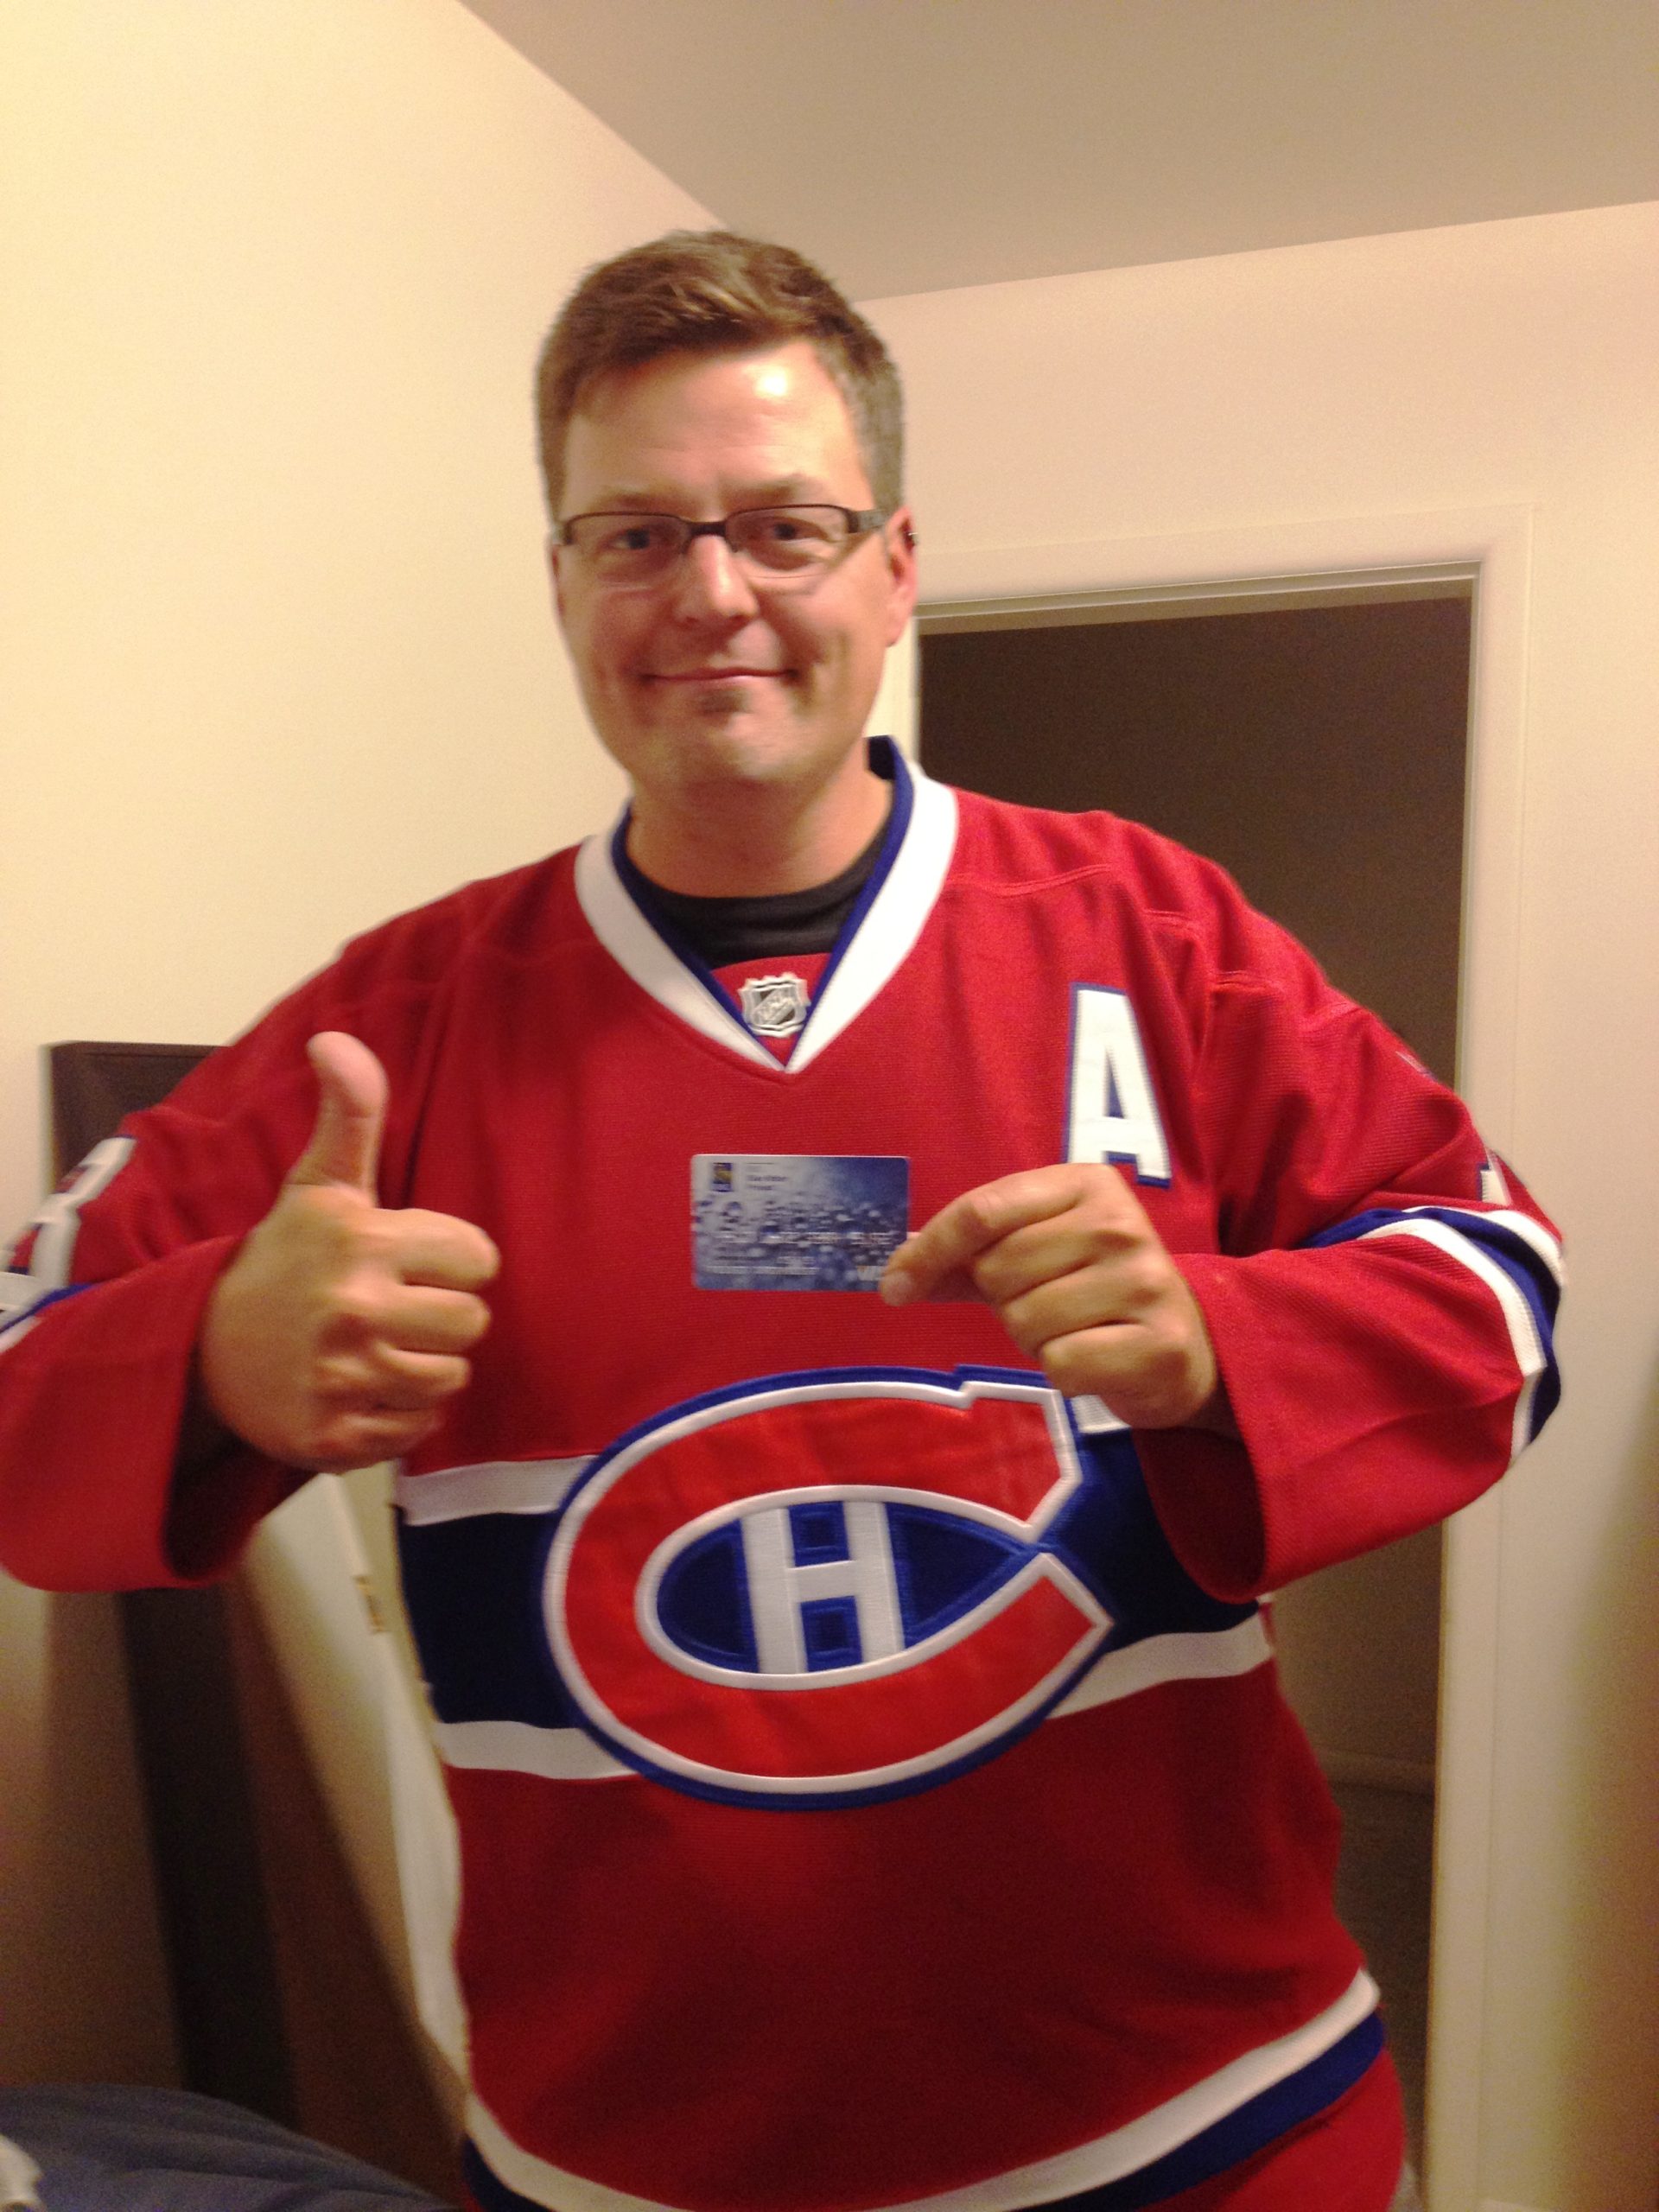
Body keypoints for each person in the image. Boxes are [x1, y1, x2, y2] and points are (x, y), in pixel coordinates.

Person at [0, 232, 1560, 2212]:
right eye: (637, 535)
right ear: (563, 585)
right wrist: (213, 1349)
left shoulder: (1151, 931)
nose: (712, 590)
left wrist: (1223, 1343)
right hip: (629, 2160)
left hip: (1210, 2130)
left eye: (783, 525)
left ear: (894, 566)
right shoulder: (396, 1022)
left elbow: (1505, 1282)